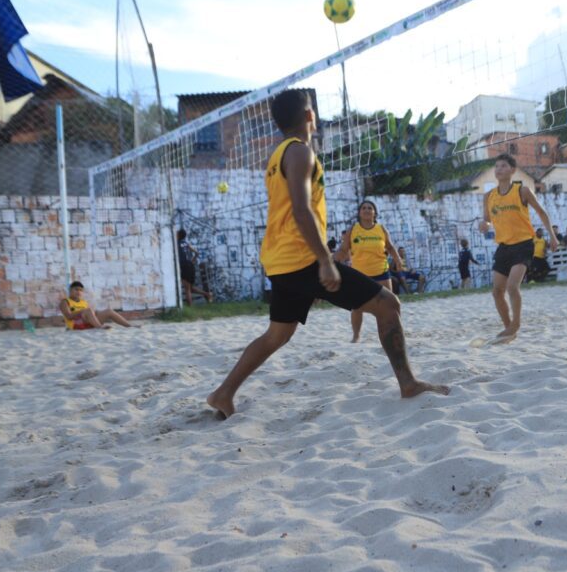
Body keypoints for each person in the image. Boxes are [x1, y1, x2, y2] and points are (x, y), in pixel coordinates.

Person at [205, 89, 448, 418]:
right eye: (312, 111)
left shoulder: (277, 157)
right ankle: (408, 384)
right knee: (389, 306)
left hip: (279, 261)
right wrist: (325, 261)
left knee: (278, 333)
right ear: (309, 116)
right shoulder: (301, 153)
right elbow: (302, 211)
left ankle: (223, 393)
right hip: (301, 259)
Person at [479, 153, 558, 342]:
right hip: (504, 246)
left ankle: (516, 324)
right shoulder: (489, 196)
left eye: (503, 166)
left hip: (523, 244)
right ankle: (509, 329)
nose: (499, 169)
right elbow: (487, 220)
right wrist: (484, 225)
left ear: (513, 170)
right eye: (497, 166)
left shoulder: (522, 191)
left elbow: (541, 212)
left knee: (512, 287)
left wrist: (552, 236)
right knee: (497, 291)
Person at [339, 200, 403, 342]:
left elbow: (391, 247)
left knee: (390, 305)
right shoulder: (353, 229)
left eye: (370, 208)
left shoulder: (381, 229)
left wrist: (398, 259)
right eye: (364, 208)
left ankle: (394, 331)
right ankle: (356, 336)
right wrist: (331, 263)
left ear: (374, 213)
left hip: (381, 272)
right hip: (359, 274)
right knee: (356, 307)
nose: (367, 210)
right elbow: (343, 250)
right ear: (359, 213)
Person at [59, 281, 139, 330]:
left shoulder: (83, 302)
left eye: (81, 290)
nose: (79, 292)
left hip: (89, 324)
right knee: (88, 310)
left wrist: (94, 313)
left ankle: (129, 326)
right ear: (70, 290)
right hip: (75, 326)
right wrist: (82, 311)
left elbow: (89, 314)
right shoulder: (65, 302)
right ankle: (99, 327)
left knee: (108, 311)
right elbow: (68, 316)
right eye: (76, 289)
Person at [177, 230, 213, 305]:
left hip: (184, 266)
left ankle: (190, 309)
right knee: (191, 289)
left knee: (187, 289)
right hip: (190, 266)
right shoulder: (186, 244)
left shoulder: (177, 244)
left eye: (176, 234)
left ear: (179, 235)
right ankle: (207, 294)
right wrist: (192, 261)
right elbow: (197, 253)